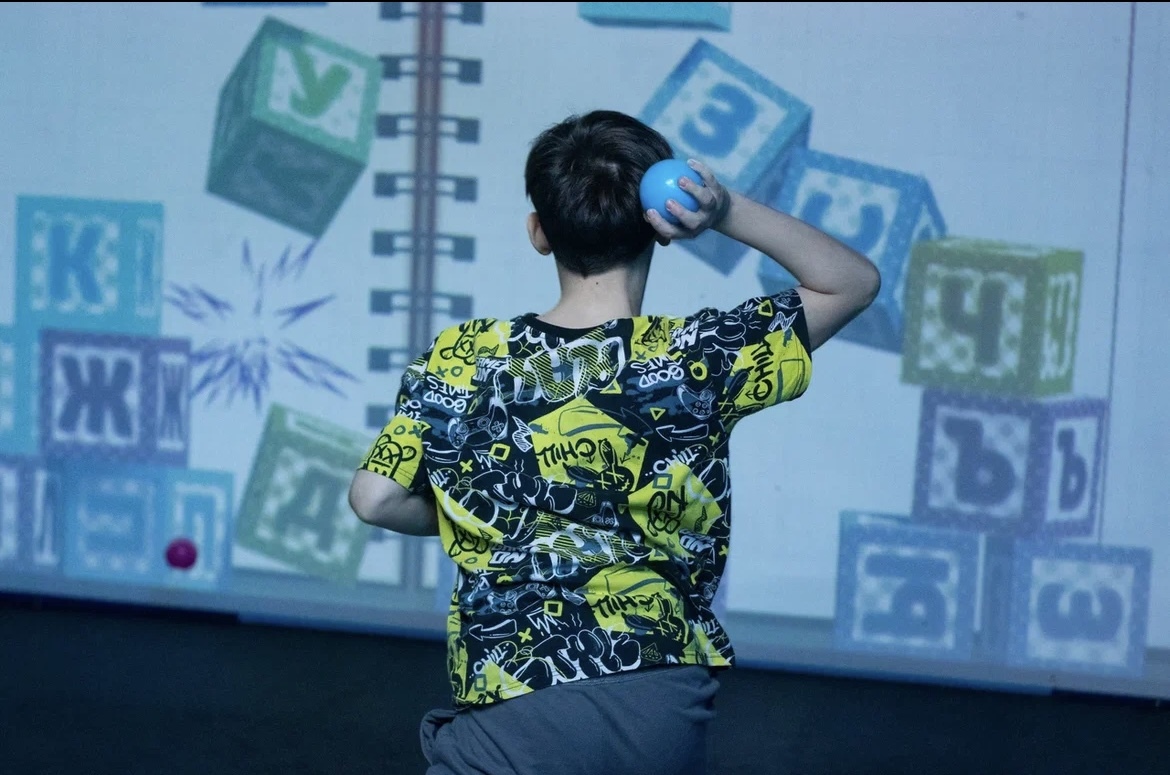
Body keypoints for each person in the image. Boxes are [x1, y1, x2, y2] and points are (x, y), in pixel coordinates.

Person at [348, 109, 880, 775]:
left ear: (539, 232)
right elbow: (853, 282)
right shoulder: (699, 355)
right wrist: (721, 210)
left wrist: (478, 514)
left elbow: (373, 497)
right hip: (659, 697)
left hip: (514, 688)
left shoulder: (463, 355)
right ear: (657, 229)